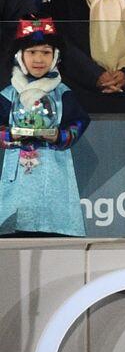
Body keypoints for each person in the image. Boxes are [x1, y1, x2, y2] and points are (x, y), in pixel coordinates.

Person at [0, 17, 89, 237]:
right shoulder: (8, 94)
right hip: (16, 175)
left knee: (53, 234)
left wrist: (60, 136)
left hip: (54, 173)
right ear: (19, 56)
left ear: (55, 56)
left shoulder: (62, 93)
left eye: (46, 52)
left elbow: (79, 122)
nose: (39, 59)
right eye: (31, 52)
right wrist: (10, 134)